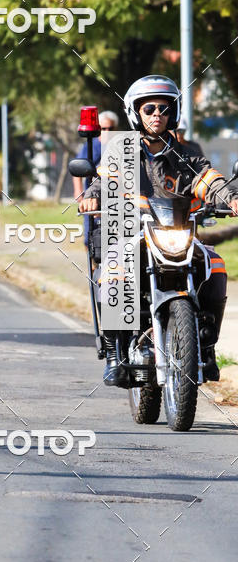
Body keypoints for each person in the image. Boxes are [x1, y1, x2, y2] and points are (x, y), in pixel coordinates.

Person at [79, 75, 238, 387]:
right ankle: (115, 352)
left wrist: (231, 198)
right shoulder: (121, 150)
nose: (156, 115)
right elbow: (102, 180)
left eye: (164, 109)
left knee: (215, 266)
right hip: (134, 234)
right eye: (149, 108)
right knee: (114, 270)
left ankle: (205, 348)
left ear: (173, 114)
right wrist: (91, 197)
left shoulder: (187, 154)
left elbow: (209, 179)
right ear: (136, 112)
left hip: (177, 233)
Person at [72, 111, 119, 250]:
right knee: (91, 237)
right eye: (103, 129)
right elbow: (77, 167)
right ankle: (92, 266)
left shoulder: (121, 146)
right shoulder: (90, 146)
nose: (106, 132)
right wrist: (78, 190)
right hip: (94, 197)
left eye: (110, 129)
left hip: (117, 198)